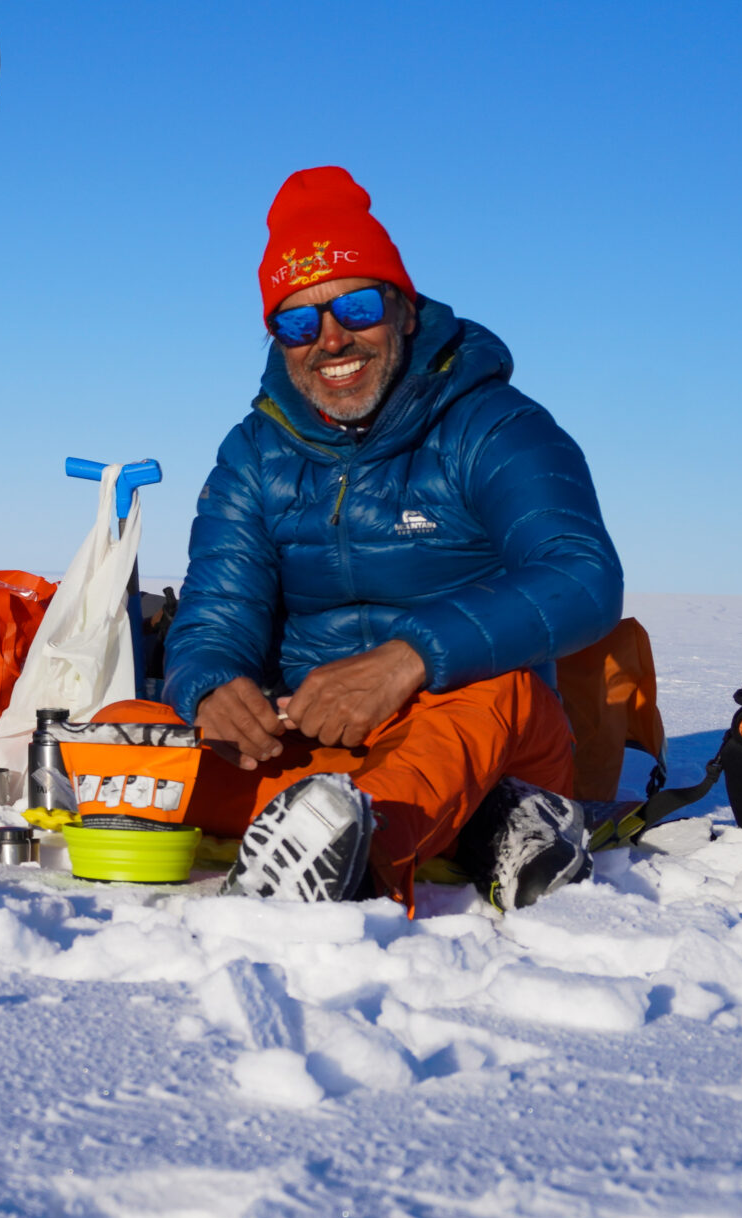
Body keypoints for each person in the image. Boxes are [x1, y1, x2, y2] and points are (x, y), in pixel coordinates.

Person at [159, 167, 623, 907]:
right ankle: (462, 830)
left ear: (405, 312)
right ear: (279, 341)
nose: (332, 339)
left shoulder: (496, 426)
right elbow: (215, 616)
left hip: (480, 733)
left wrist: (408, 659)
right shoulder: (253, 455)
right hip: (311, 744)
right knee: (127, 736)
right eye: (298, 321)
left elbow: (582, 578)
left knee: (492, 694)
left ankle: (357, 844)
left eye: (357, 305)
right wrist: (213, 688)